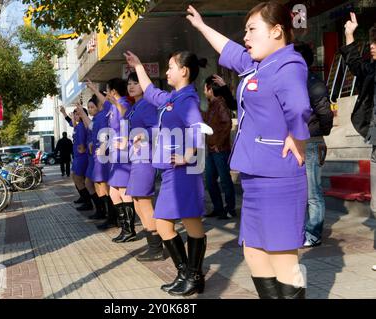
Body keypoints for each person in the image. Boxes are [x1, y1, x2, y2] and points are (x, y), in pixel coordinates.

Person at [188, 2, 311, 298]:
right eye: (245, 30)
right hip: (254, 176)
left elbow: (299, 106)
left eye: (252, 29)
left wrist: (298, 138)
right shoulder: (257, 63)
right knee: (254, 252)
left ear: (277, 31)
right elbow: (229, 50)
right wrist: (202, 26)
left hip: (278, 176)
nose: (246, 36)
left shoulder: (287, 63)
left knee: (282, 258)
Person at [124, 49, 210, 296]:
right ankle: (187, 274)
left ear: (184, 71)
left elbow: (198, 128)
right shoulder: (172, 99)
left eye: (171, 67)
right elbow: (150, 92)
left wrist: (188, 154)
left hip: (183, 171)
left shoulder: (188, 99)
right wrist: (139, 64)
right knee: (166, 224)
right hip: (171, 171)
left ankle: (192, 276)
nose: (167, 71)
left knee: (188, 223)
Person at [340, 12, 376, 271]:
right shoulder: (372, 68)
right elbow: (356, 65)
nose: (372, 45)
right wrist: (350, 35)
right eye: (372, 41)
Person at [294, 43, 334, 248]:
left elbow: (326, 113)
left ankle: (314, 233)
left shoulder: (313, 84)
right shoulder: (295, 83)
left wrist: (318, 131)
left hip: (312, 142)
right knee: (301, 190)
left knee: (313, 192)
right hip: (298, 142)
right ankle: (303, 230)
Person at [86, 79, 136, 235]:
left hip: (122, 155)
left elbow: (128, 121)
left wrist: (126, 141)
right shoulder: (112, 106)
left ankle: (129, 230)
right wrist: (94, 89)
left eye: (107, 90)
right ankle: (123, 226)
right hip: (114, 156)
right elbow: (105, 102)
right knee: (115, 192)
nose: (105, 94)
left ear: (113, 91)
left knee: (122, 191)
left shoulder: (123, 105)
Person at [124, 72, 164, 259]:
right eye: (129, 83)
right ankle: (153, 243)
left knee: (144, 203)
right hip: (136, 157)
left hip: (145, 158)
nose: (131, 86)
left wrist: (143, 135)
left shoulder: (147, 104)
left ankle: (157, 248)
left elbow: (155, 129)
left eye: (136, 83)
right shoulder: (135, 106)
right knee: (138, 202)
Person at [76, 95, 118, 227]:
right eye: (88, 107)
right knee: (98, 186)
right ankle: (105, 213)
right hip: (95, 156)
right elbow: (93, 131)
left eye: (92, 106)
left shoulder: (105, 115)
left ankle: (111, 216)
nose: (90, 109)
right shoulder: (98, 117)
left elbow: (107, 134)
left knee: (104, 187)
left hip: (103, 156)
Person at [202, 75, 236, 219]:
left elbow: (227, 124)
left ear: (210, 89)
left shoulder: (220, 103)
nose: (204, 91)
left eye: (205, 88)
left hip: (220, 149)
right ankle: (218, 208)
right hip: (212, 149)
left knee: (225, 180)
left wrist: (218, 143)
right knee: (210, 180)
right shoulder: (212, 105)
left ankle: (230, 209)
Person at [59, 105, 93, 210]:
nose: (75, 116)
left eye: (77, 114)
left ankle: (88, 202)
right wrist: (64, 113)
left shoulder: (82, 126)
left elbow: (82, 139)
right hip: (78, 156)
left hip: (82, 156)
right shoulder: (77, 126)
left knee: (79, 178)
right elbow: (71, 123)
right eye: (75, 114)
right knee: (76, 177)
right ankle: (84, 198)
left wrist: (82, 147)